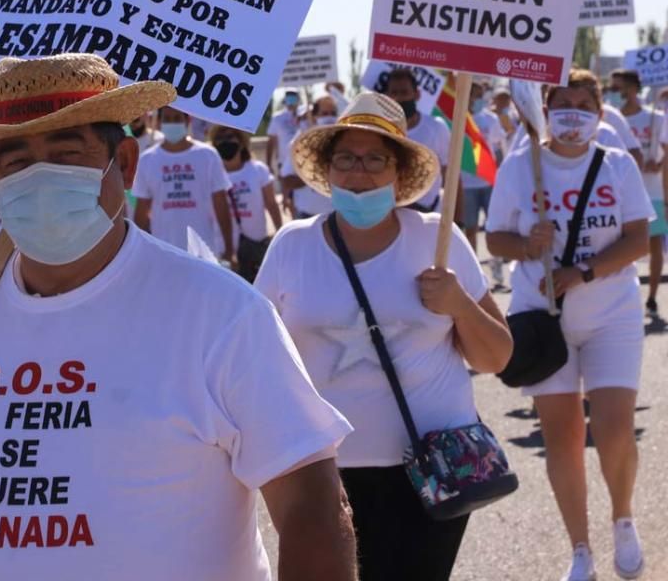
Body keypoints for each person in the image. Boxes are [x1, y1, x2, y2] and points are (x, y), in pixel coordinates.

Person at [0, 54, 357, 580]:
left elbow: (314, 512)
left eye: (68, 154)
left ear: (127, 164)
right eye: (16, 161)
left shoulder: (218, 313)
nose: (42, 179)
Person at [258, 92, 511, 581]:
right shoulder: (293, 245)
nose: (359, 172)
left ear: (398, 174)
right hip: (323, 472)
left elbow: (496, 357)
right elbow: (260, 356)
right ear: (328, 171)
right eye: (346, 158)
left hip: (433, 469)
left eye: (376, 158)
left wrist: (459, 305)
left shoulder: (438, 239)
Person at [486, 69, 650, 581]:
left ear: (600, 115)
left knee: (614, 428)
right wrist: (527, 245)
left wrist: (582, 272)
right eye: (562, 104)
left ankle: (622, 516)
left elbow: (639, 238)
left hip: (611, 316)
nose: (572, 113)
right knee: (562, 437)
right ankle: (580, 550)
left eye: (583, 104)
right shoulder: (521, 166)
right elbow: (495, 240)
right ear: (545, 111)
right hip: (543, 320)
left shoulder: (616, 165)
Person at [133, 106, 234, 262]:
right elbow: (141, 210)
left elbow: (221, 203)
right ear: (159, 122)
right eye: (167, 119)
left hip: (203, 252)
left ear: (188, 121)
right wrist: (138, 250)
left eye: (177, 119)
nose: (172, 123)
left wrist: (229, 248)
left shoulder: (207, 155)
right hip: (164, 252)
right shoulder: (147, 160)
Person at [609, 69, 667, 316]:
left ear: (632, 89)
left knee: (653, 246)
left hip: (652, 191)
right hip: (619, 196)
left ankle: (652, 298)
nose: (612, 93)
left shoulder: (655, 116)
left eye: (616, 88)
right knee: (620, 249)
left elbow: (666, 150)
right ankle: (621, 302)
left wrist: (659, 163)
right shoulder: (609, 120)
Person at [210, 125, 282, 283]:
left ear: (241, 142)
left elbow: (271, 204)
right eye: (220, 139)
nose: (225, 142)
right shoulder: (210, 174)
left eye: (230, 137)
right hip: (221, 250)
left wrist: (280, 234)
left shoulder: (258, 170)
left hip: (255, 246)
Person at [384, 68, 454, 215]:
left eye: (404, 92)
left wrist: (456, 218)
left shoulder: (437, 128)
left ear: (417, 94)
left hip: (430, 213)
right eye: (394, 93)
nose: (399, 99)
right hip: (390, 216)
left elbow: (451, 175)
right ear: (387, 97)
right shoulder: (379, 132)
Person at [462, 82, 507, 291]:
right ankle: (473, 274)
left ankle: (496, 269)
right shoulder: (457, 119)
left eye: (480, 95)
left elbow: (499, 148)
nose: (478, 99)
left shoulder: (490, 119)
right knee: (470, 229)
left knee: (493, 228)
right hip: (467, 184)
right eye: (474, 95)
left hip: (489, 182)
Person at [281, 96, 339, 220]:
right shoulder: (299, 144)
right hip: (306, 217)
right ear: (314, 116)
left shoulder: (347, 143)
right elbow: (287, 181)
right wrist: (314, 170)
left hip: (339, 217)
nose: (329, 117)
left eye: (333, 113)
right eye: (324, 113)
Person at [266, 88, 304, 172]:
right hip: (283, 163)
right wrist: (268, 164)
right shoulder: (277, 118)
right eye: (289, 98)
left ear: (298, 99)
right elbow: (271, 141)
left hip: (304, 163)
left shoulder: (305, 115)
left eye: (293, 98)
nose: (291, 101)